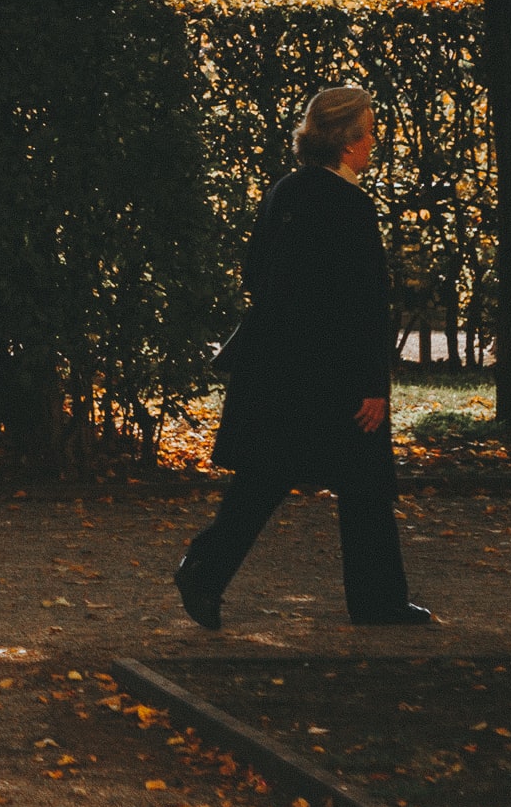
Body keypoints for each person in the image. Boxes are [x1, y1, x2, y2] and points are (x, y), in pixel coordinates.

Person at [176, 80, 434, 632]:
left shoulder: (285, 193)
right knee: (362, 482)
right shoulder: (350, 206)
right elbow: (364, 302)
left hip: (279, 365)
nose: (373, 146)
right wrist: (372, 383)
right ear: (347, 143)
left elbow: (256, 273)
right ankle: (376, 600)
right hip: (335, 372)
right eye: (368, 136)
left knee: (265, 478)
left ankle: (205, 570)